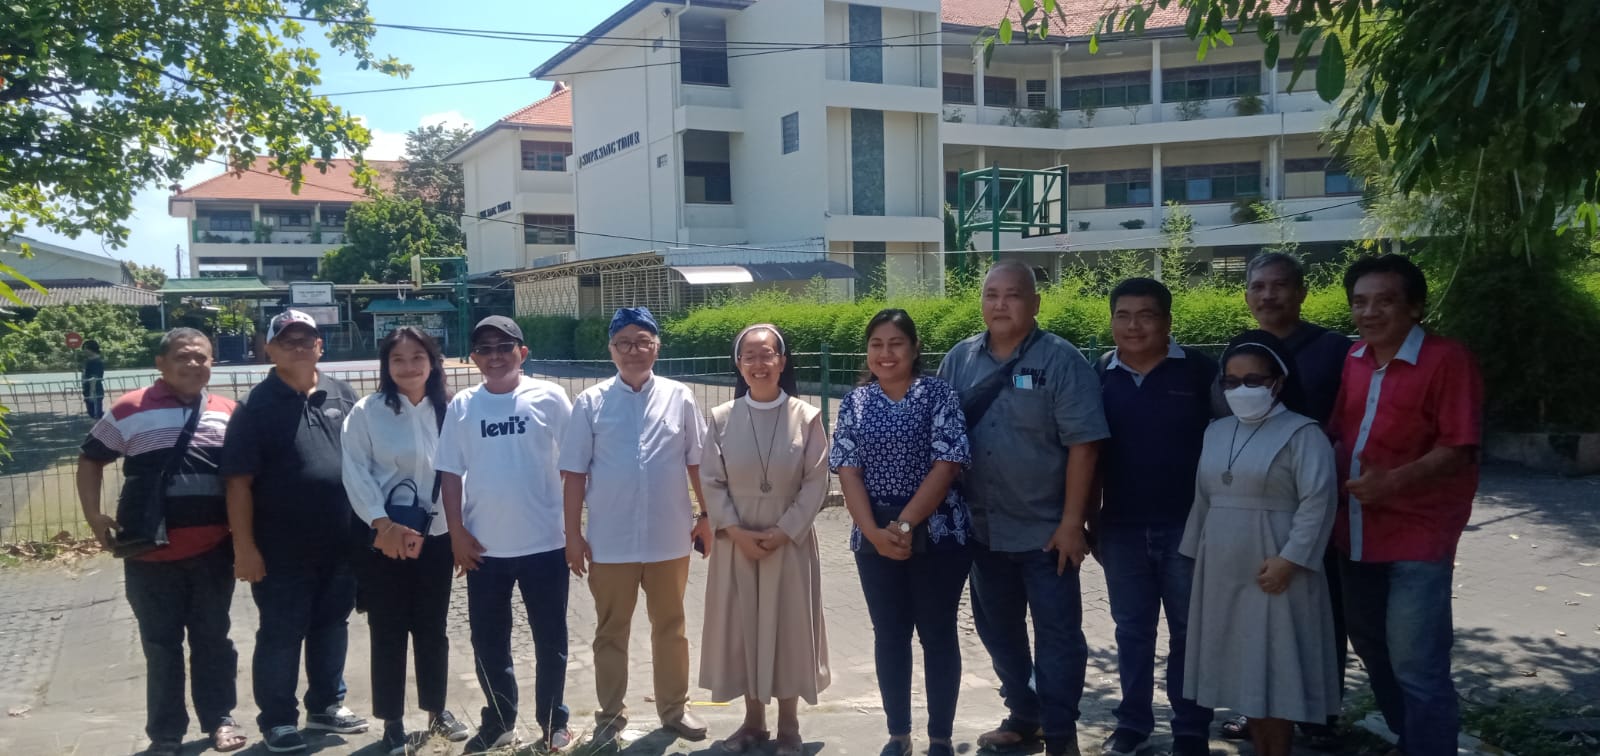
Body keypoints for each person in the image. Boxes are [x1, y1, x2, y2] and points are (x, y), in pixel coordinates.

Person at [936, 261, 1109, 756]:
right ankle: (1023, 713)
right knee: (998, 629)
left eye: (1013, 295)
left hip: (1046, 532)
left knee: (1058, 634)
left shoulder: (1061, 361)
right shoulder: (959, 359)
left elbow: (1084, 445)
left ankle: (1060, 733)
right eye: (992, 294)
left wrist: (1074, 522)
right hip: (982, 528)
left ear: (1034, 303)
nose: (1001, 304)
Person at [1330, 255, 1483, 756]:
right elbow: (1338, 435)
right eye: (1359, 302)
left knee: (1418, 663)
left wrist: (1392, 483)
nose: (1369, 312)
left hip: (1418, 535)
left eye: (1384, 301)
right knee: (1371, 647)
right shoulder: (1354, 359)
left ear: (1415, 307)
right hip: (1353, 531)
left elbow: (1458, 446)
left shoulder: (1446, 359)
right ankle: (1408, 738)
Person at [75, 328, 245, 756]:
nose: (193, 365)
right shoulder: (129, 408)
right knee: (161, 644)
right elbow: (91, 459)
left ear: (212, 363)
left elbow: (244, 481)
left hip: (213, 552)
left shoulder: (229, 411)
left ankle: (219, 720)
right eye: (183, 357)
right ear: (161, 363)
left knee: (213, 639)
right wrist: (94, 516)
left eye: (202, 357)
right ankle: (166, 735)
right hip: (148, 553)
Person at [560, 306, 715, 747]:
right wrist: (573, 535)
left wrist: (707, 516)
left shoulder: (679, 396)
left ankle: (674, 708)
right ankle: (610, 715)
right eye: (624, 343)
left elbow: (697, 462)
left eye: (643, 342)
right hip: (610, 542)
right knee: (611, 631)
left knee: (672, 626)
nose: (633, 351)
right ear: (610, 349)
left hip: (669, 537)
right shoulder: (590, 403)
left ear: (657, 347)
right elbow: (573, 474)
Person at [1180, 333, 1341, 756]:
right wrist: (1197, 557)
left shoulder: (1303, 433)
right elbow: (1203, 499)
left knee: (1275, 669)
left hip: (1275, 568)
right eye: (1231, 381)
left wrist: (1291, 559)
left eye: (1253, 379)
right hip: (1223, 570)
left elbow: (1319, 501)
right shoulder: (1216, 431)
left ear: (1278, 381)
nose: (1240, 389)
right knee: (1244, 672)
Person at [222, 309, 367, 753]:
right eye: (288, 341)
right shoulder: (255, 407)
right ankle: (279, 719)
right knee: (282, 633)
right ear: (269, 349)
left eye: (308, 339)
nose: (300, 347)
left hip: (341, 543)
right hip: (280, 550)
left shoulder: (344, 395)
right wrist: (244, 548)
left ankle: (325, 703)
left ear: (321, 346)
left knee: (331, 625)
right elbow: (238, 483)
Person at [830, 308, 972, 756]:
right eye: (876, 344)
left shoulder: (939, 395)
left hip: (941, 536)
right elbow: (848, 471)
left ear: (913, 349)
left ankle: (940, 737)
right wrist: (873, 533)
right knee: (889, 635)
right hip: (872, 541)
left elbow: (946, 464)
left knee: (937, 634)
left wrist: (905, 524)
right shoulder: (855, 402)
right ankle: (898, 734)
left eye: (896, 344)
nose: (885, 353)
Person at [1226, 251, 1354, 747]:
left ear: (1301, 291)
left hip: (1312, 499)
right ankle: (1256, 709)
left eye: (1279, 286)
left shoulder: (1335, 350)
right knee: (1253, 608)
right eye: (1258, 287)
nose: (1268, 295)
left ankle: (1321, 712)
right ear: (1247, 295)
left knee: (1321, 609)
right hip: (1251, 501)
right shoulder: (1241, 351)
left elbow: (1348, 420)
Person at [436, 316, 575, 754]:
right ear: (473, 358)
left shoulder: (550, 397)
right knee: (488, 641)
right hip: (484, 548)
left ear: (522, 352)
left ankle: (554, 722)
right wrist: (456, 532)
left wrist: (575, 532)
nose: (495, 356)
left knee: (550, 639)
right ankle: (498, 720)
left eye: (504, 347)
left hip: (546, 543)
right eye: (485, 349)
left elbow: (574, 467)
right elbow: (450, 474)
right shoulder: (463, 405)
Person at [1093, 279, 1218, 756]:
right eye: (1123, 315)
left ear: (1167, 321)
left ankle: (1189, 728)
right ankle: (1132, 724)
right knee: (1132, 631)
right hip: (1121, 528)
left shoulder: (1202, 373)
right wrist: (1089, 520)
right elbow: (1087, 454)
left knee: (1189, 630)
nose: (1133, 325)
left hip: (1189, 528)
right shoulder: (1100, 373)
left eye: (1145, 315)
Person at [699, 324, 831, 756]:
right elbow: (710, 481)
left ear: (782, 361)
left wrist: (782, 532)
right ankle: (753, 722)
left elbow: (816, 483)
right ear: (738, 365)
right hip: (736, 543)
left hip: (787, 544)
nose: (759, 363)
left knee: (788, 630)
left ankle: (789, 725)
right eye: (749, 356)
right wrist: (735, 531)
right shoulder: (719, 419)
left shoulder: (806, 417)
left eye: (767, 354)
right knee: (743, 630)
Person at [340, 327, 471, 754]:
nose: (409, 366)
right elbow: (355, 472)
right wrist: (382, 524)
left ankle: (436, 711)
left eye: (418, 357)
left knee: (432, 628)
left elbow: (464, 473)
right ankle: (392, 722)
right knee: (389, 628)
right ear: (386, 366)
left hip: (435, 536)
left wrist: (460, 531)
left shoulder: (451, 411)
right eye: (398, 359)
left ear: (433, 362)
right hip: (386, 538)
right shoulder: (367, 412)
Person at [82, 339, 105, 418]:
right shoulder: (89, 361)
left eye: (86, 348)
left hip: (95, 391)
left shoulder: (96, 362)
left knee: (96, 415)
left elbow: (94, 378)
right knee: (91, 413)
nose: (84, 351)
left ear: (91, 349)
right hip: (88, 391)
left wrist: (92, 392)